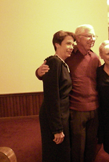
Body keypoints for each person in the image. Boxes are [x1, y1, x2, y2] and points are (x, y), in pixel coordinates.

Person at [36, 24, 100, 162]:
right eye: (89, 36)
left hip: (94, 108)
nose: (92, 39)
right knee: (76, 148)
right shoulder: (68, 56)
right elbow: (50, 76)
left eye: (94, 36)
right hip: (75, 109)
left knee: (91, 146)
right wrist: (38, 72)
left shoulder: (94, 57)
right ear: (79, 38)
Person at [39, 30, 75, 162]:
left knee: (62, 152)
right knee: (55, 153)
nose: (71, 47)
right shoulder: (53, 62)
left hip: (61, 114)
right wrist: (57, 128)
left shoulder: (62, 63)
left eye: (73, 44)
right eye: (68, 43)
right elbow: (51, 97)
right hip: (54, 116)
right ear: (57, 44)